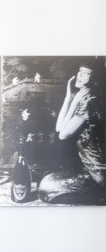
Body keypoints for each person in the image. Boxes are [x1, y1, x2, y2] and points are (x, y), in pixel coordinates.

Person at [44, 62, 106, 200]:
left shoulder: (89, 101)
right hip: (87, 168)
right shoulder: (83, 97)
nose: (80, 75)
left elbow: (62, 135)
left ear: (94, 78)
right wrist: (69, 97)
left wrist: (74, 102)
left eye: (86, 73)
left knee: (46, 187)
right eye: (80, 71)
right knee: (47, 181)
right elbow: (59, 128)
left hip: (97, 173)